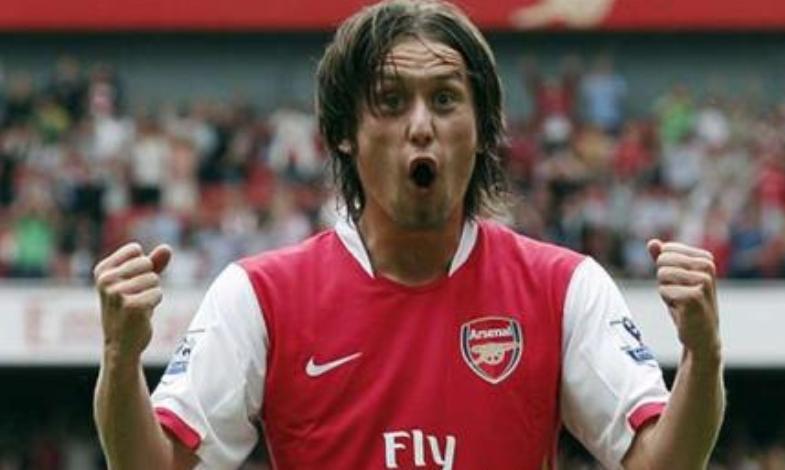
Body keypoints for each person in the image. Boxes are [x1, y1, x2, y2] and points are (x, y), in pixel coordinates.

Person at [92, 1, 725, 469]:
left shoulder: (565, 288)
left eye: (445, 100)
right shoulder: (260, 296)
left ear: (482, 130)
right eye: (391, 101)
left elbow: (661, 462)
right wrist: (121, 361)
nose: (421, 125)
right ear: (343, 133)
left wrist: (703, 355)